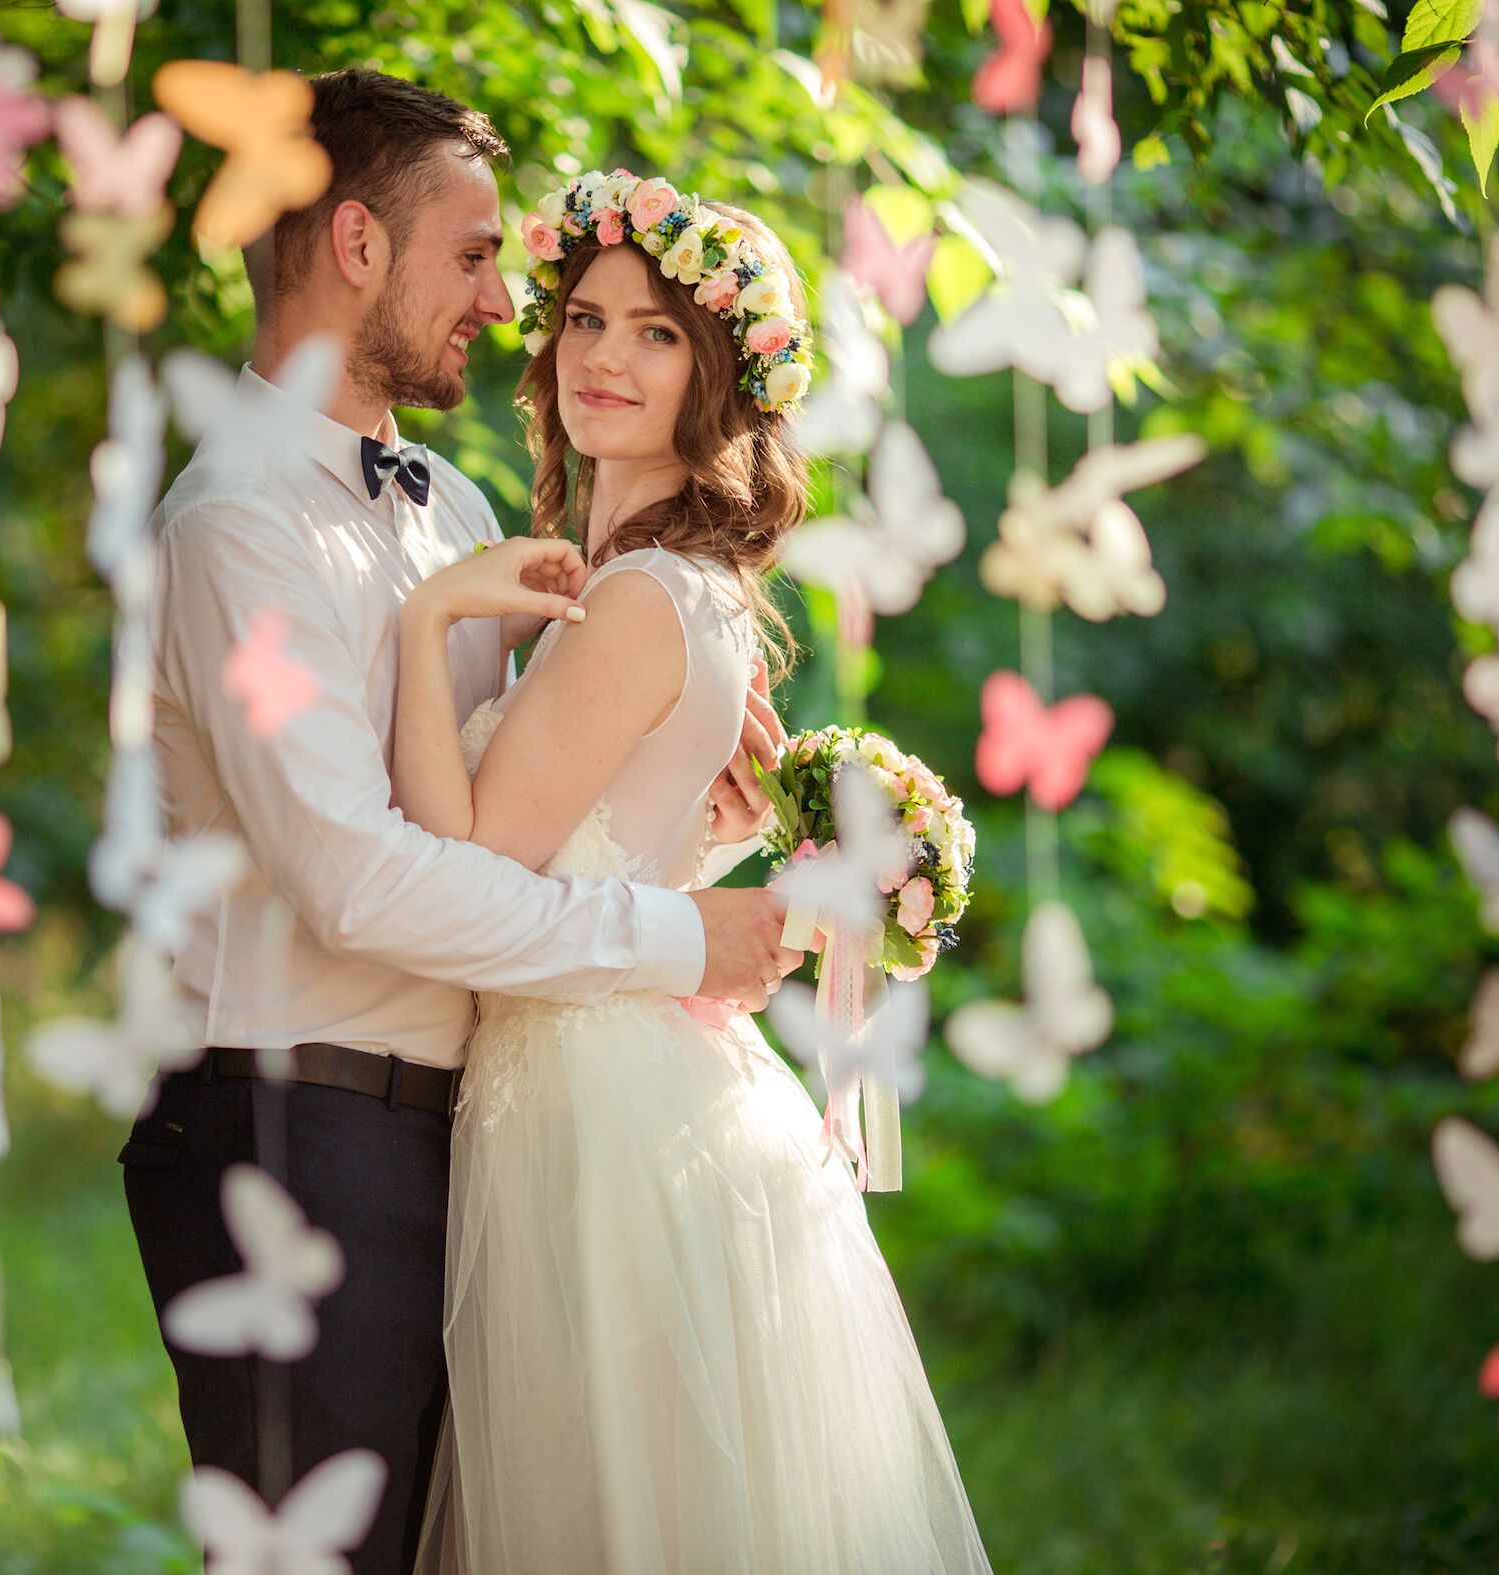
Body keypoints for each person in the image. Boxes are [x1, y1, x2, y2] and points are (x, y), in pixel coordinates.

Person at [121, 71, 801, 1575]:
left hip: (483, 1136)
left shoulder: (450, 508)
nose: (507, 303)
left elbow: (518, 810)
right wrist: (677, 938)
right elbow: (362, 880)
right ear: (357, 244)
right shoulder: (234, 525)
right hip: (292, 1134)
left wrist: (691, 767)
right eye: (475, 254)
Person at [395, 176, 994, 1572]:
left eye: (656, 334)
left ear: (717, 373)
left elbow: (461, 877)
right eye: (584, 321)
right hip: (645, 1085)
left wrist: (429, 624)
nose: (603, 357)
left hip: (594, 1115)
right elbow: (635, 836)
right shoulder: (689, 593)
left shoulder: (633, 603)